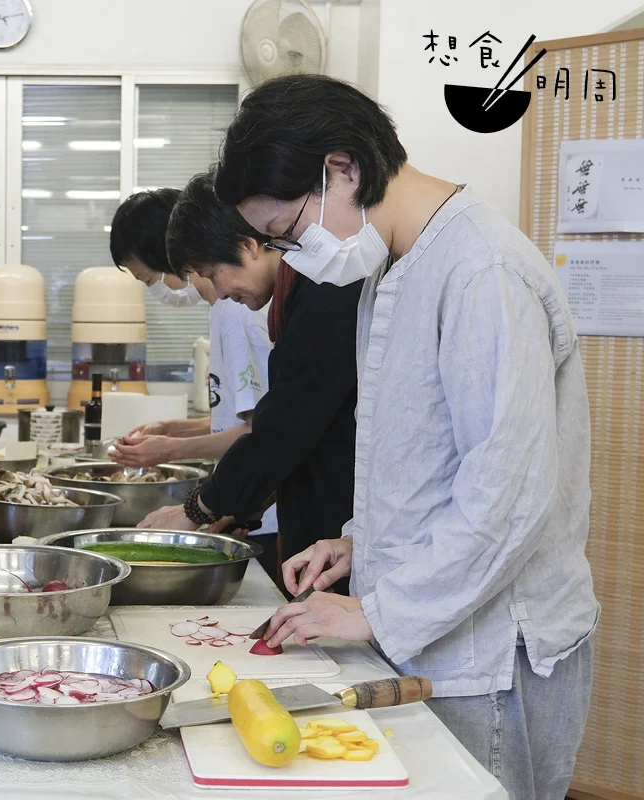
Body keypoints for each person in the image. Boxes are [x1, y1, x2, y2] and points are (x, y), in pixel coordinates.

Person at [216, 74, 599, 800]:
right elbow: (424, 455)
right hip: (437, 624)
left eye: (289, 234)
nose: (294, 258)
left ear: (342, 169)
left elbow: (509, 497)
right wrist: (361, 539)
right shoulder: (393, 269)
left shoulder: (480, 270)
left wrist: (376, 610)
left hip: (492, 649)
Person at [135, 174, 361, 594]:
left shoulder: (324, 293)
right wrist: (237, 508)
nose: (218, 293)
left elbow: (278, 431)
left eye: (209, 274)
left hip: (337, 528)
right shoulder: (298, 297)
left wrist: (198, 508)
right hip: (318, 527)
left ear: (247, 245)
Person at [107, 188, 274, 476]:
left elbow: (260, 431)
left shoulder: (239, 309)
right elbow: (237, 418)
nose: (155, 291)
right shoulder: (224, 309)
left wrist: (171, 449)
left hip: (263, 503)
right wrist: (172, 430)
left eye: (149, 279)